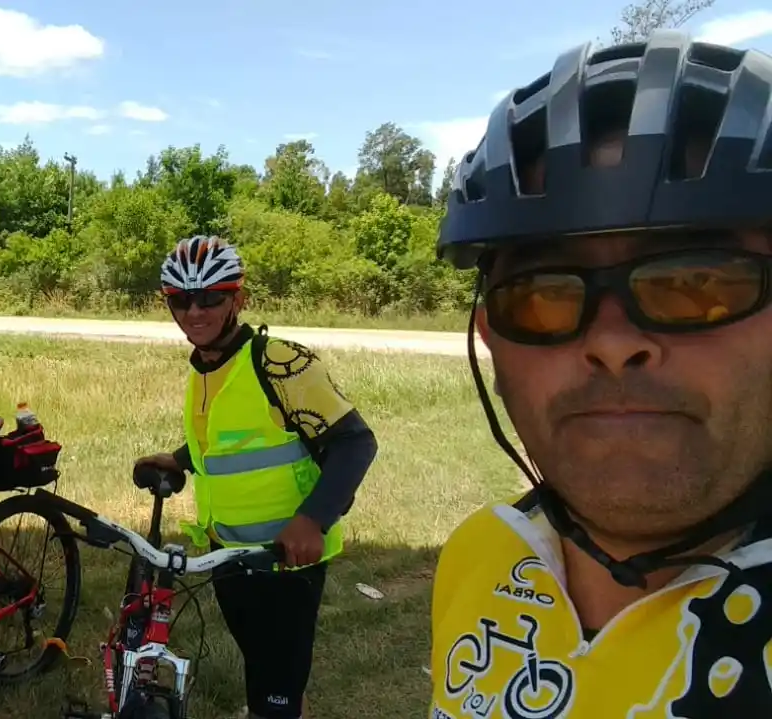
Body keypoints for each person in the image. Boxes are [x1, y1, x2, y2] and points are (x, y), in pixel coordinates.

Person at [428, 30, 772, 717]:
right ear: (490, 339)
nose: (613, 342)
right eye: (544, 295)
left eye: (697, 280)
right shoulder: (479, 555)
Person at [135, 235, 379, 719]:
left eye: (210, 297)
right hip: (228, 553)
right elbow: (235, 442)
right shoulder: (204, 367)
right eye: (180, 300)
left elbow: (355, 442)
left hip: (287, 561)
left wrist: (313, 519)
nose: (194, 312)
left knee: (275, 690)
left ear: (238, 300)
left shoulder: (280, 363)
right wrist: (180, 459)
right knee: (267, 674)